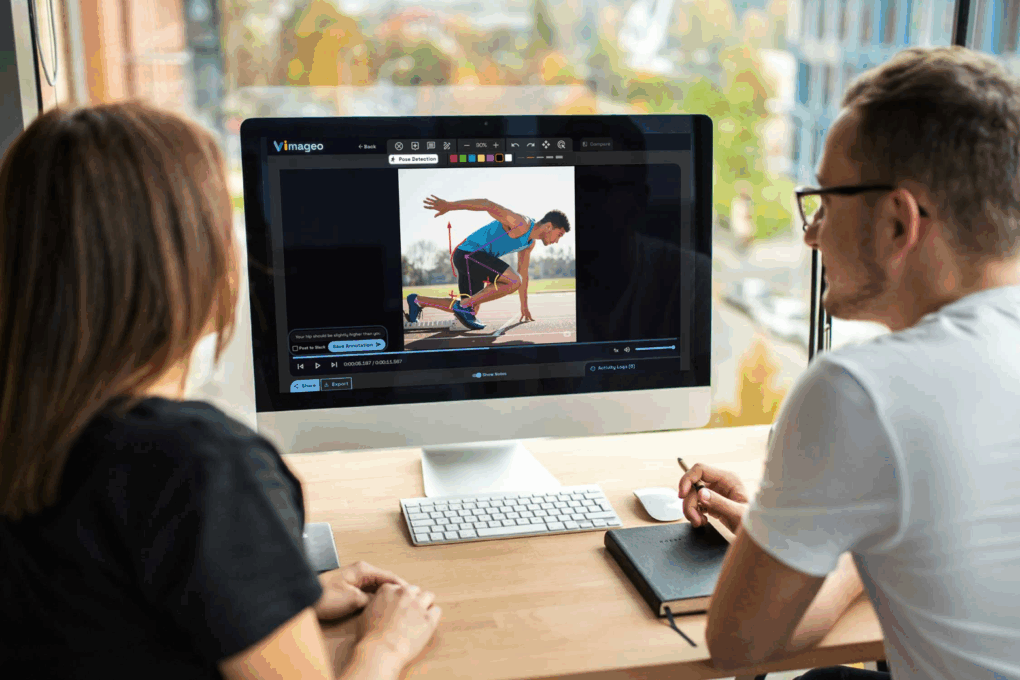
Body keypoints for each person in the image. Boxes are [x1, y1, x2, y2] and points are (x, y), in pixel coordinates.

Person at [0, 102, 440, 680]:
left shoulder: (30, 431)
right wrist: (384, 645)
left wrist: (277, 593)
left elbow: (106, 615)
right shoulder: (198, 464)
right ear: (195, 263)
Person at [678, 45, 1020, 680]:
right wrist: (813, 521)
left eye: (826, 202)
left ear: (897, 222)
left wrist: (824, 528)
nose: (810, 234)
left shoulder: (863, 389)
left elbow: (737, 646)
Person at [405, 195, 570, 330]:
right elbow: (487, 204)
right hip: (468, 254)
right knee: (512, 281)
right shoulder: (521, 223)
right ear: (549, 226)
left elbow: (524, 273)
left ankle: (418, 301)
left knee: (469, 311)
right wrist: (449, 205)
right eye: (560, 234)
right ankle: (464, 305)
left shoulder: (529, 244)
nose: (557, 241)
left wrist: (524, 306)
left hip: (472, 260)